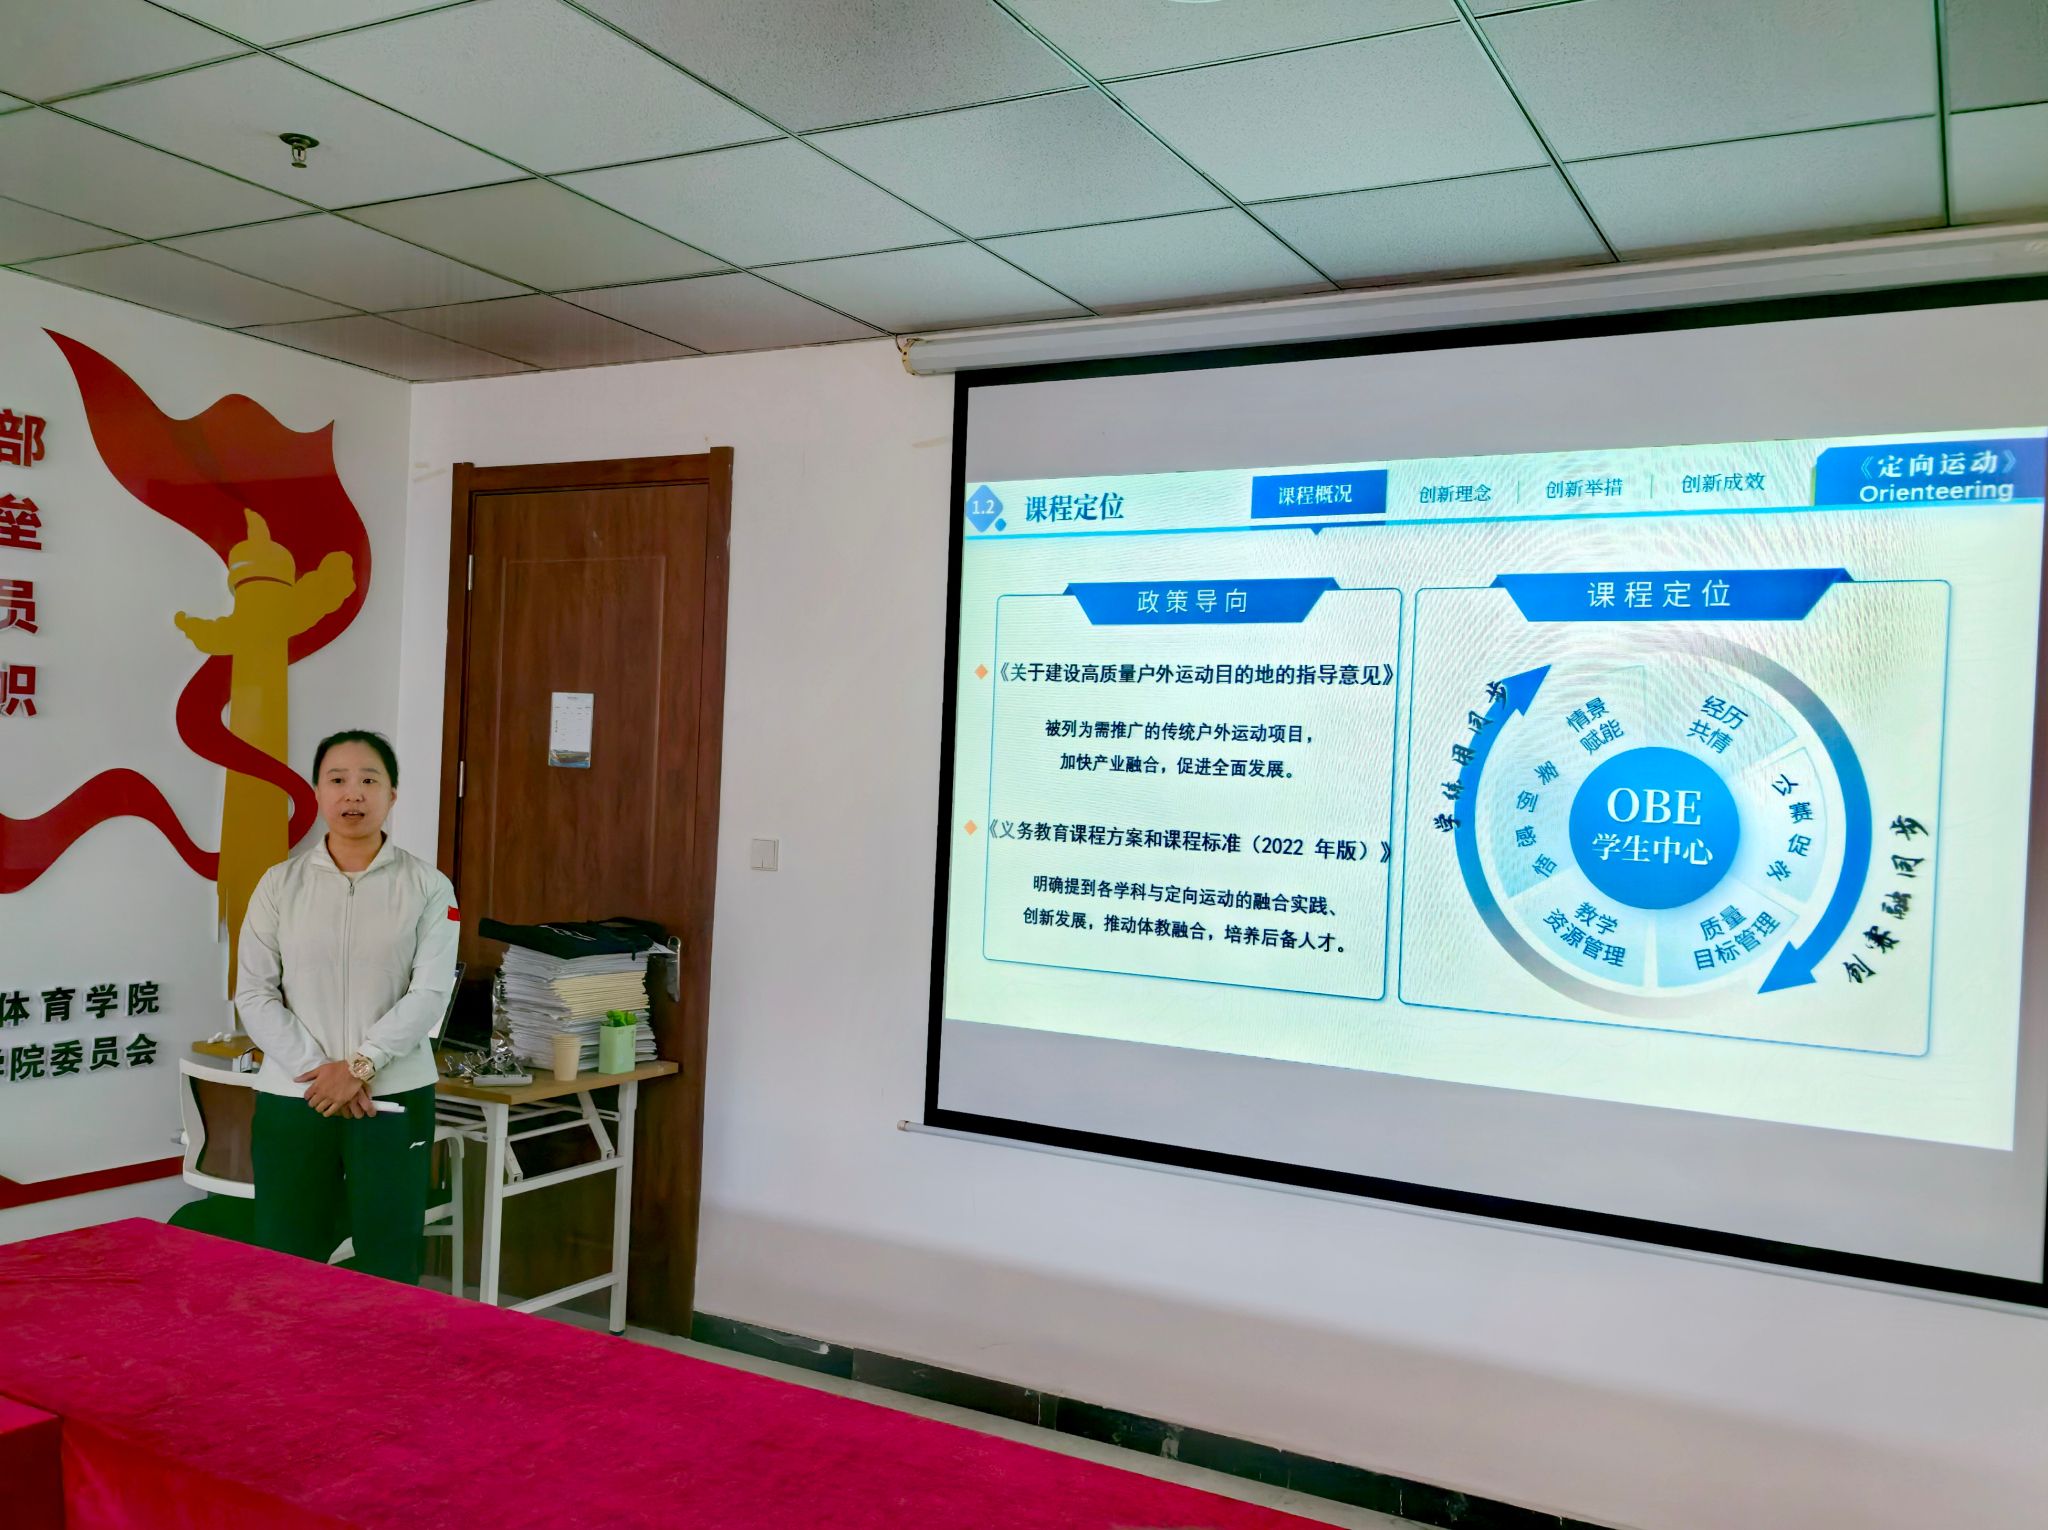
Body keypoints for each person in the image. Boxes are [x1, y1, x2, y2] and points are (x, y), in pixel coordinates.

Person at [235, 730, 459, 1284]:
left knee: (388, 1258)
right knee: (287, 1254)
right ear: (318, 791)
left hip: (391, 1096)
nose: (352, 793)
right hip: (297, 1096)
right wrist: (321, 1071)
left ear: (392, 794)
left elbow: (430, 994)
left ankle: (386, 1347)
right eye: (337, 780)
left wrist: (360, 1065)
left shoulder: (428, 887)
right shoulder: (279, 884)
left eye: (368, 780)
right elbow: (254, 993)